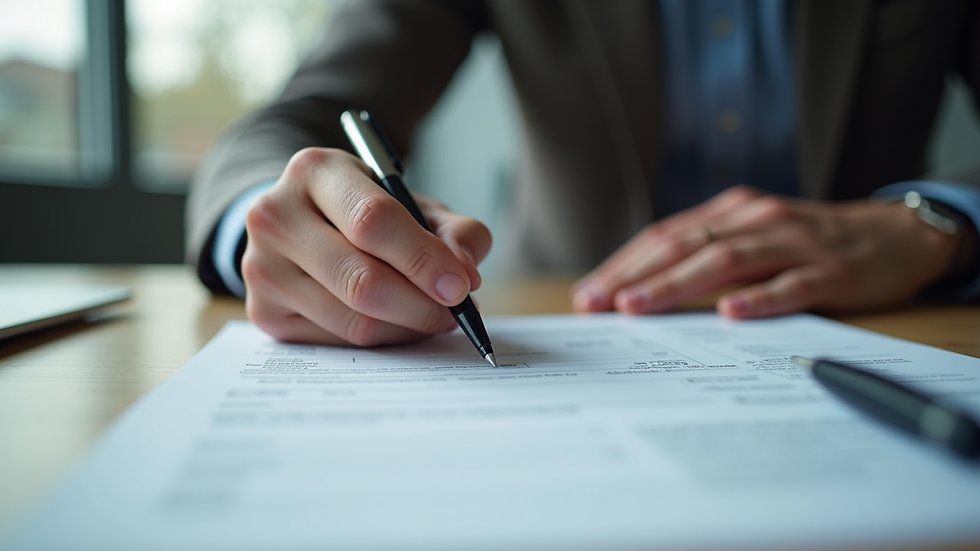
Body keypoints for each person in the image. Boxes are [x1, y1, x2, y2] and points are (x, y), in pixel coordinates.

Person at [187, 0, 980, 347]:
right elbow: (298, 118)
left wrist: (939, 221)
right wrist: (280, 217)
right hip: (563, 318)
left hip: (882, 324)